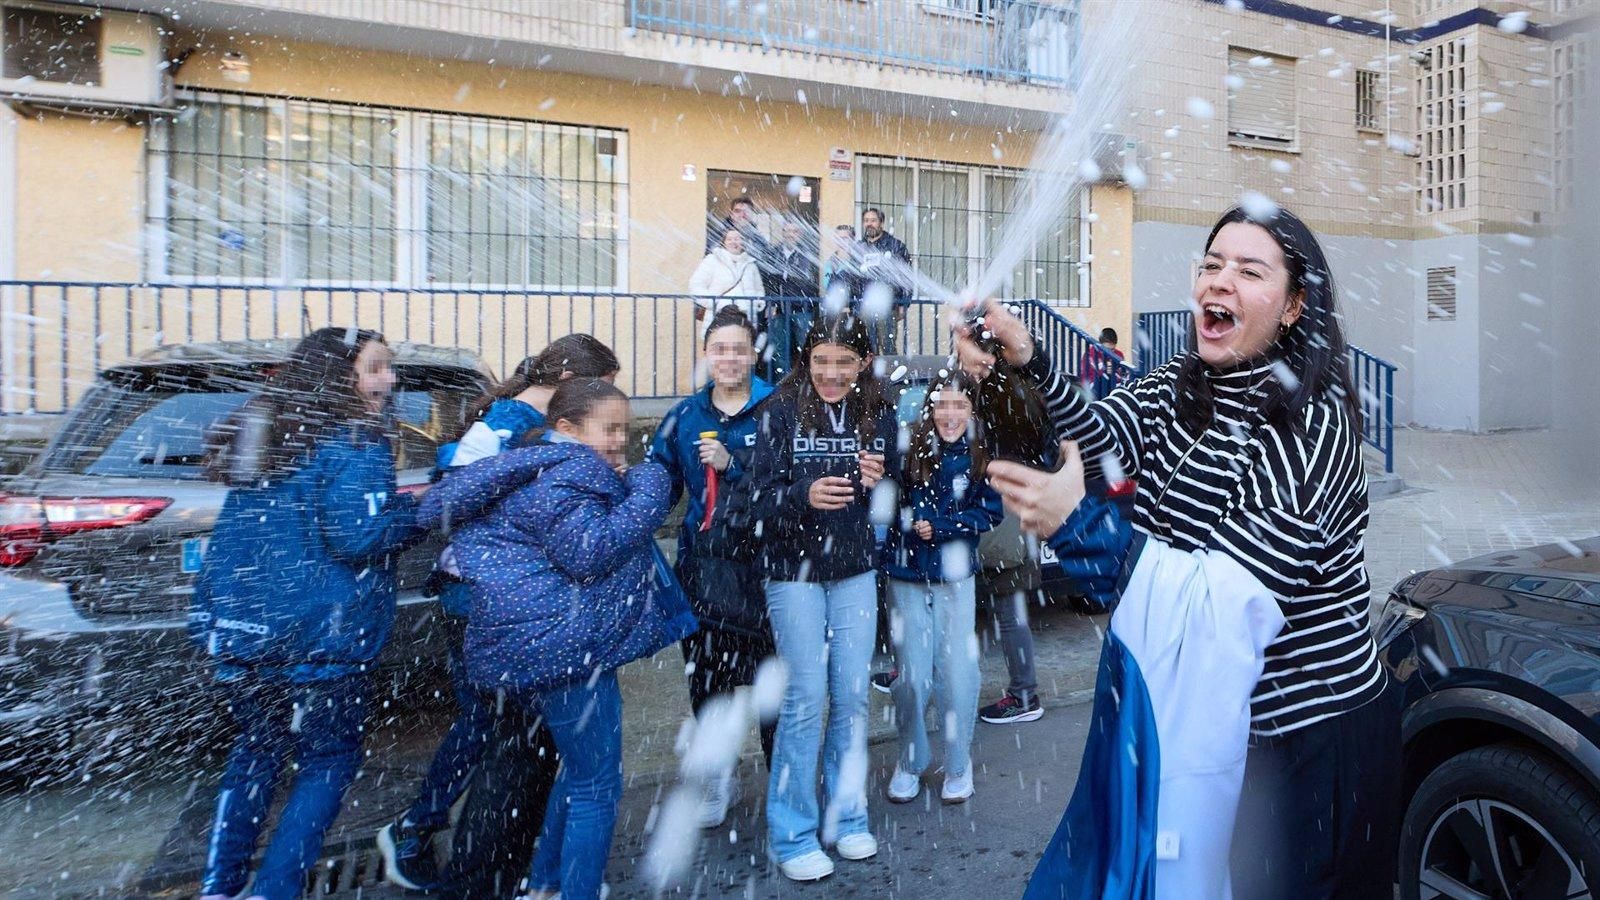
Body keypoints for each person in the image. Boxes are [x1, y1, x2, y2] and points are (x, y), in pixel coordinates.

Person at [963, 205, 1397, 898]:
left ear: (1293, 307)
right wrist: (1030, 359)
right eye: (1212, 263)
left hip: (1304, 739)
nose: (1218, 281)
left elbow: (1221, 606)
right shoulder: (1180, 383)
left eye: (1250, 271)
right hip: (1205, 722)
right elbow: (1104, 440)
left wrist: (1077, 526)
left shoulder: (1312, 426)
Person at [418, 377, 697, 900]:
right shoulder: (569, 474)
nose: (620, 440)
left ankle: (546, 884)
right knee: (597, 786)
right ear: (566, 427)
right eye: (609, 429)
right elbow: (591, 551)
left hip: (539, 645)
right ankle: (572, 889)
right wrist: (652, 486)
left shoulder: (540, 463)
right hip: (567, 651)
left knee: (579, 771)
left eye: (624, 429)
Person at [377, 334, 620, 892]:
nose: (606, 403)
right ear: (566, 382)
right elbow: (452, 508)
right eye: (600, 388)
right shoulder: (503, 428)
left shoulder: (528, 426)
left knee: (510, 734)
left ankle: (494, 859)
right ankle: (452, 849)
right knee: (506, 737)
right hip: (483, 603)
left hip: (512, 605)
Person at [194, 327, 424, 900]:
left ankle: (219, 887)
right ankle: (275, 889)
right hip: (320, 641)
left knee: (256, 753)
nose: (388, 381)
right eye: (375, 368)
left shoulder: (267, 431)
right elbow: (358, 535)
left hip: (245, 632)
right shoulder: (355, 440)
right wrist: (411, 511)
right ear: (339, 375)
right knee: (328, 760)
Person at [748, 313, 898, 883]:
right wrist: (801, 494)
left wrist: (882, 478)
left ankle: (848, 816)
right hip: (794, 573)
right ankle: (792, 834)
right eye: (821, 362)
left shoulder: (876, 413)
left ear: (863, 363)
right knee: (806, 697)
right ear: (805, 361)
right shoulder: (779, 413)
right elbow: (755, 500)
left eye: (844, 362)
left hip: (855, 569)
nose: (831, 374)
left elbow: (893, 490)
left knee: (853, 696)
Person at [647, 306, 779, 828]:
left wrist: (736, 466)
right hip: (704, 572)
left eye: (739, 349)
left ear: (754, 354)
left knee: (774, 689)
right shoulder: (684, 416)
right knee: (710, 686)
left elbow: (790, 487)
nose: (729, 358)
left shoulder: (780, 409)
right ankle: (716, 777)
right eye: (720, 349)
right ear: (706, 354)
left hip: (769, 570)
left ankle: (784, 785)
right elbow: (658, 485)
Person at [882, 371, 1002, 805]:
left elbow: (990, 514)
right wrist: (905, 526)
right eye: (942, 405)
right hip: (907, 575)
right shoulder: (905, 449)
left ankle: (957, 761)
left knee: (957, 675)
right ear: (929, 409)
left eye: (959, 405)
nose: (950, 415)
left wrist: (945, 527)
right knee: (912, 676)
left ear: (971, 412)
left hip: (955, 577)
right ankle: (911, 759)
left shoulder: (981, 456)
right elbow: (885, 503)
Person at [974, 515, 1047, 724]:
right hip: (1017, 539)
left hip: (1009, 547)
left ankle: (1024, 697)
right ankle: (1024, 695)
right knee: (1010, 617)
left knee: (1010, 618)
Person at [764, 221, 821, 380]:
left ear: (800, 234)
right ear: (783, 233)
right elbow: (770, 281)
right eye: (787, 231)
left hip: (802, 309)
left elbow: (812, 282)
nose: (791, 234)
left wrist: (804, 300)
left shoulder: (808, 254)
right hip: (780, 308)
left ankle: (807, 382)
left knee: (805, 347)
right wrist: (772, 303)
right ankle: (784, 383)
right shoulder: (773, 253)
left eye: (795, 231)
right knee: (779, 350)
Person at [851, 208, 913, 354]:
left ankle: (890, 376)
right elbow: (852, 278)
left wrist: (904, 304)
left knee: (888, 347)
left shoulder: (896, 246)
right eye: (866, 221)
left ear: (881, 224)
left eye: (873, 220)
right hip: (863, 307)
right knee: (867, 348)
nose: (869, 224)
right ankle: (871, 377)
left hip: (887, 306)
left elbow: (907, 278)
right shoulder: (859, 248)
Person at [691, 228, 766, 339]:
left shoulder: (750, 264)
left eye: (737, 239)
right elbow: (695, 285)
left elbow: (759, 290)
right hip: (719, 315)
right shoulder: (712, 260)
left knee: (743, 349)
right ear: (723, 242)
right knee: (718, 348)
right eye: (729, 239)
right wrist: (714, 303)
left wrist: (755, 304)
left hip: (745, 317)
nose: (733, 242)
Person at [1077, 327, 1127, 401]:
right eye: (1106, 349)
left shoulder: (1118, 355)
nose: (1109, 353)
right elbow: (1087, 378)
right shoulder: (1090, 355)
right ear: (1100, 345)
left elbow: (1122, 374)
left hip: (1113, 389)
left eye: (1112, 349)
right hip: (1094, 390)